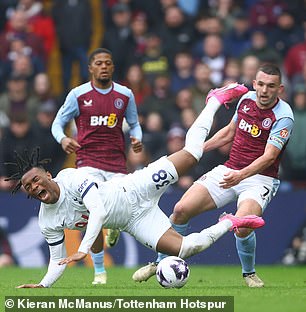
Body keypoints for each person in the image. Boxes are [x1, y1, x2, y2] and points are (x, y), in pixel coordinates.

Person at [6, 84, 264, 288]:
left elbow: (98, 212)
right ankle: (232, 222)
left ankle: (215, 100)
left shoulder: (71, 177)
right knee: (186, 248)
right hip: (133, 221)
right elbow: (56, 260)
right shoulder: (47, 220)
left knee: (193, 153)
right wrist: (43, 285)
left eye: (36, 179)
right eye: (28, 186)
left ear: (48, 175)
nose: (34, 186)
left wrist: (83, 249)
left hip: (136, 187)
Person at [133, 64, 294, 288]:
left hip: (260, 178)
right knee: (180, 210)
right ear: (255, 83)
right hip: (229, 169)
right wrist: (197, 150)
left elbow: (269, 157)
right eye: (261, 84)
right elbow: (229, 132)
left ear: (280, 89)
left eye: (271, 86)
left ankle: (249, 274)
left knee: (243, 225)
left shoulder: (283, 116)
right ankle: (160, 263)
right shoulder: (246, 100)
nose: (264, 90)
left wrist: (240, 176)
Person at [50, 48, 143, 285]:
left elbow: (134, 123)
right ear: (90, 68)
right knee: (93, 213)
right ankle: (99, 271)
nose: (103, 66)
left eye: (108, 63)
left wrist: (137, 137)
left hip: (116, 164)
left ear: (112, 67)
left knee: (121, 212)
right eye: (99, 63)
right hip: (87, 162)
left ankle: (114, 228)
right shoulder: (78, 95)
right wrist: (63, 139)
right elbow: (57, 124)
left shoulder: (125, 94)